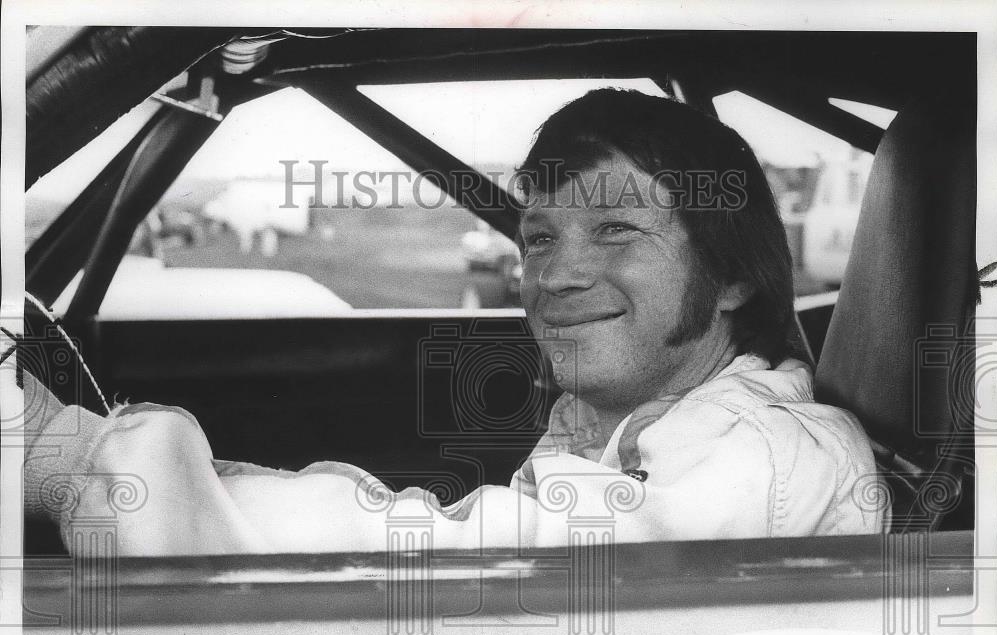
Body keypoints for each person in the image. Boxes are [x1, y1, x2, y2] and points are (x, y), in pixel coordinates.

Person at [20, 89, 881, 555]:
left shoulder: (770, 451)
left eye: (616, 231)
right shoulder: (630, 423)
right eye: (539, 237)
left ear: (732, 276)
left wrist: (81, 461)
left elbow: (465, 563)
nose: (557, 273)